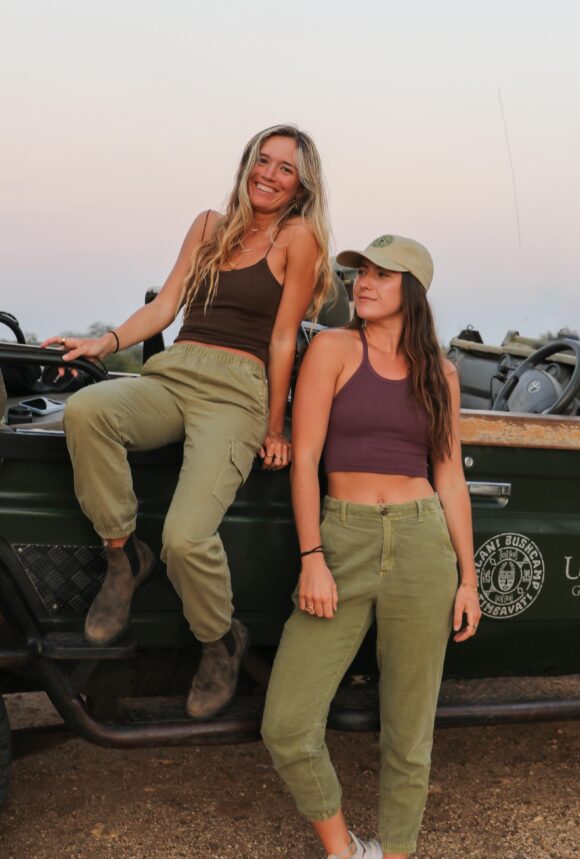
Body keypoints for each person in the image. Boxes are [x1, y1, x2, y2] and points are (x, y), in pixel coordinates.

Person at [41, 124, 332, 720]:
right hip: (177, 372)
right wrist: (107, 342)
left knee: (185, 537)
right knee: (88, 410)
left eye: (286, 169)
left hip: (238, 391)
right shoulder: (207, 226)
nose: (269, 175)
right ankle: (123, 556)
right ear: (247, 163)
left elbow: (282, 339)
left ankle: (220, 640)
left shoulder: (297, 238)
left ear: (302, 186)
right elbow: (167, 304)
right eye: (264, 161)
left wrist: (275, 427)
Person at [261, 235, 481, 859]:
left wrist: (468, 579)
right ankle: (345, 850)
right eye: (360, 272)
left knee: (409, 732)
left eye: (382, 275)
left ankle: (398, 853)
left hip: (421, 543)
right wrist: (312, 558)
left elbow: (449, 476)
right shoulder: (332, 348)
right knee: (286, 723)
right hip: (344, 538)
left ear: (412, 290)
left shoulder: (440, 373)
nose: (363, 283)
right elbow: (304, 459)